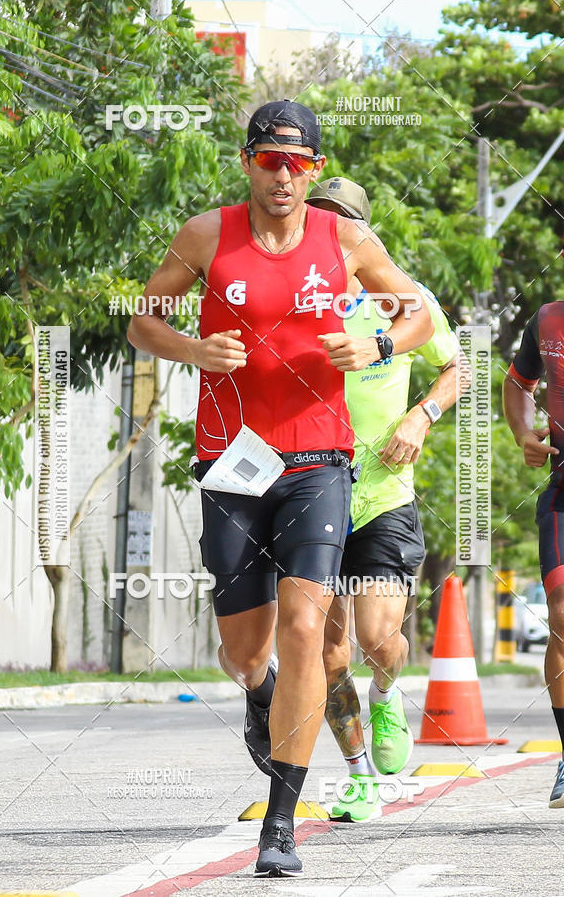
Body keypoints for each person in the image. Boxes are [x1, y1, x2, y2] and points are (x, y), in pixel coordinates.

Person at [128, 101, 433, 876]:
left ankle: (282, 823)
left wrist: (378, 342)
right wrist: (193, 347)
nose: (284, 175)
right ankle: (263, 699)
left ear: (316, 171)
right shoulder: (206, 235)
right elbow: (141, 322)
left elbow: (420, 315)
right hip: (231, 463)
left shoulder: (346, 240)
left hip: (317, 461)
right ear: (247, 162)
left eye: (298, 164)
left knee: (307, 626)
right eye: (270, 160)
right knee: (244, 650)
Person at [307, 177, 465, 821]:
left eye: (343, 222)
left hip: (381, 493)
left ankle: (388, 690)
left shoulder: (403, 300)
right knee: (327, 650)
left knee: (378, 638)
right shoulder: (295, 300)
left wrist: (421, 416)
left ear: (363, 234)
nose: (331, 230)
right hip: (308, 489)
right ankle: (359, 773)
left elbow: (459, 365)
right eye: (323, 218)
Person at [503, 304, 564, 809]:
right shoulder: (546, 321)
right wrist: (524, 433)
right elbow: (517, 382)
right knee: (563, 614)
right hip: (563, 489)